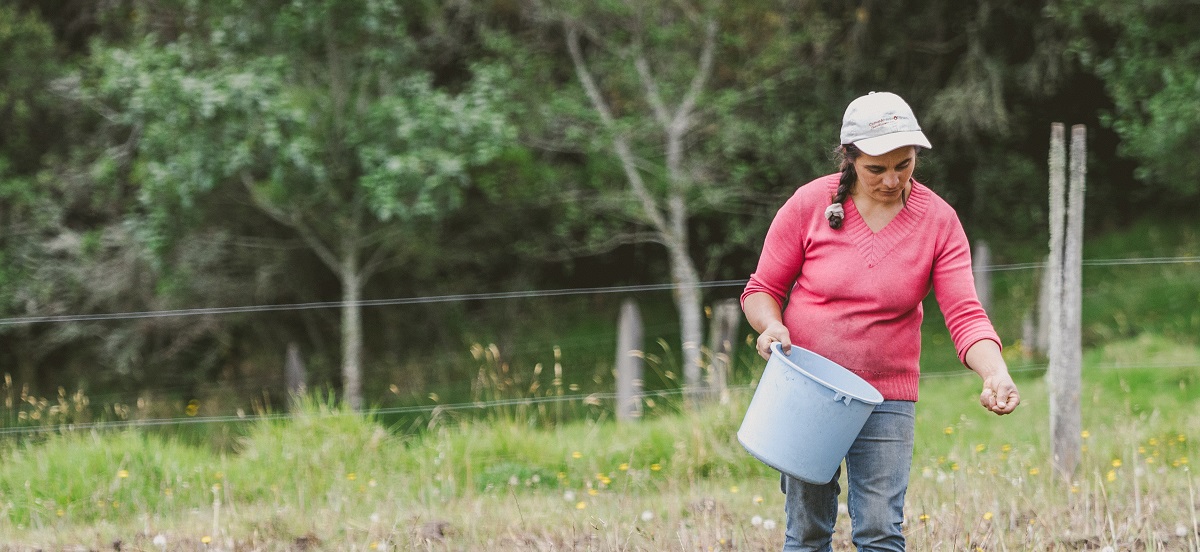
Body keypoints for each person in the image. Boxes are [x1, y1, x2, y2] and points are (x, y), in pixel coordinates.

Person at [740, 91, 1021, 552]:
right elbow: (762, 290)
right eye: (876, 168)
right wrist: (771, 326)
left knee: (880, 530)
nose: (892, 180)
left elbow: (965, 314)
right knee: (807, 531)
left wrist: (995, 372)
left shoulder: (939, 222)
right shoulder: (810, 204)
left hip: (887, 395)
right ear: (849, 158)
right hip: (807, 390)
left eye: (904, 164)